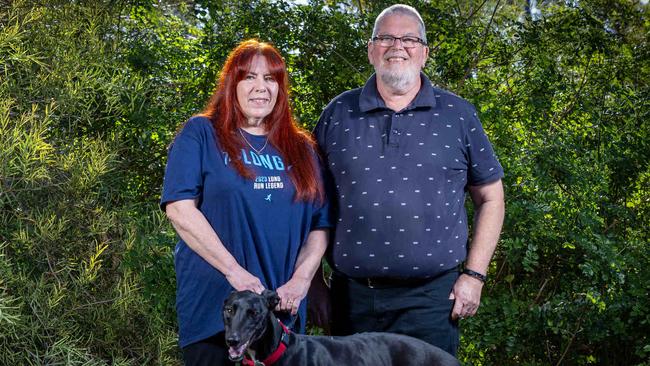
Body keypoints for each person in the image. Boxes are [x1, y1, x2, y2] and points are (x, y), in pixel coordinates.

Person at [311, 4, 505, 357]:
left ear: (425, 53)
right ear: (371, 50)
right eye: (385, 37)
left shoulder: (458, 115)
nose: (396, 45)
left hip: (432, 301)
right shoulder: (337, 114)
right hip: (352, 299)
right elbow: (308, 205)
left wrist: (474, 276)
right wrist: (312, 284)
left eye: (409, 39)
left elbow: (491, 198)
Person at [161, 39, 331, 365]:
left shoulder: (302, 149)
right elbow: (180, 210)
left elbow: (320, 225)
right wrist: (234, 272)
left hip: (280, 323)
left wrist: (301, 281)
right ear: (231, 83)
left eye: (271, 79)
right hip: (217, 316)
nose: (260, 88)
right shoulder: (201, 134)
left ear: (281, 89)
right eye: (249, 77)